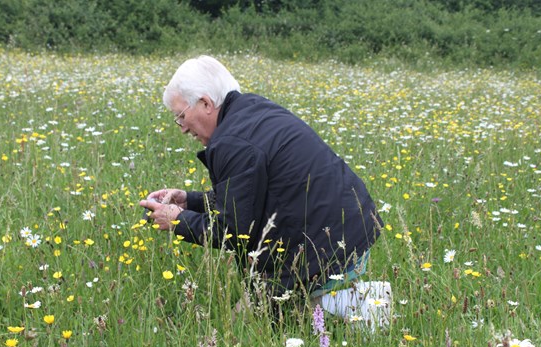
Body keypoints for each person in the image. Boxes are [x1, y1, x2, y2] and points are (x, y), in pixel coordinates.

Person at [139, 56, 385, 318]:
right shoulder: (251, 109)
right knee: (250, 316)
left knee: (248, 326)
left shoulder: (231, 142)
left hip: (331, 253)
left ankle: (364, 307)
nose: (182, 128)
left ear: (206, 103)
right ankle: (351, 304)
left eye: (181, 115)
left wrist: (178, 220)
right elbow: (251, 198)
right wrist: (190, 201)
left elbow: (233, 232)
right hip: (352, 233)